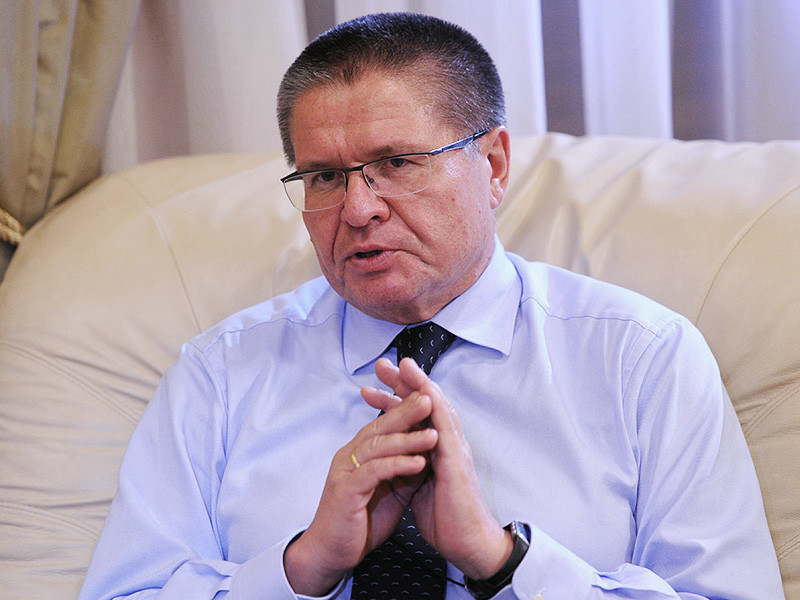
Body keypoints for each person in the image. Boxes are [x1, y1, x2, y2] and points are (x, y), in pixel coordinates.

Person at [78, 12, 784, 600]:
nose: (358, 209)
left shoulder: (643, 358)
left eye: (396, 164)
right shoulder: (219, 374)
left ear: (494, 166)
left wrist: (501, 560)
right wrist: (302, 568)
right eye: (324, 176)